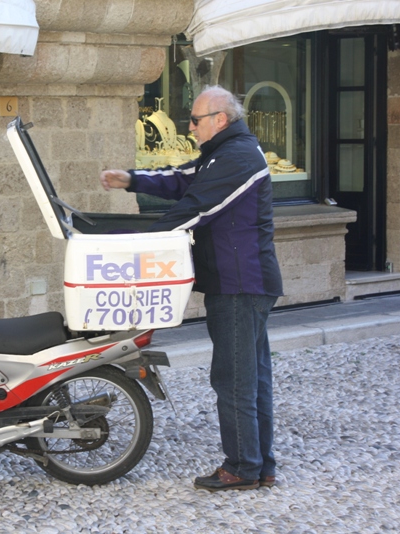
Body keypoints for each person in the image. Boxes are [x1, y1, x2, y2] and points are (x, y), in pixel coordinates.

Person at [100, 85, 283, 492]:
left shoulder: (237, 157)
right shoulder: (223, 152)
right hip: (242, 282)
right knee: (252, 378)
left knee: (234, 379)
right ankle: (260, 463)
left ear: (220, 119)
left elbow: (197, 207)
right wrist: (131, 180)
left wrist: (137, 241)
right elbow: (182, 179)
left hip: (241, 284)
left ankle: (242, 467)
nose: (190, 126)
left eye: (196, 120)